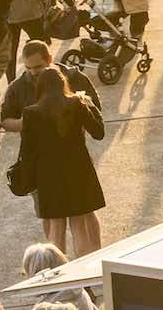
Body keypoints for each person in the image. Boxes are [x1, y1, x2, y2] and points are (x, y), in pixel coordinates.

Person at [14, 68, 106, 258]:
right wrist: (89, 104)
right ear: (63, 84)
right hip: (78, 171)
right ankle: (84, 278)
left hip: (48, 176)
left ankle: (59, 276)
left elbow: (27, 151)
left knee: (56, 229)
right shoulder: (76, 104)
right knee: (79, 226)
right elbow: (99, 132)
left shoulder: (31, 113)